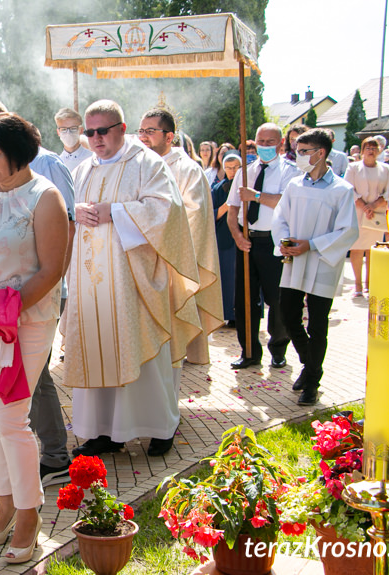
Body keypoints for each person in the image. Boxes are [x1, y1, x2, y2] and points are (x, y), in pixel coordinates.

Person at [0, 112, 68, 563]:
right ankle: (3, 505)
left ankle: (29, 512)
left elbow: (51, 269)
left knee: (10, 417)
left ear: (20, 153)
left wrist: (5, 310)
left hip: (25, 322)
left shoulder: (45, 198)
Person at [64, 99, 202, 459]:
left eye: (102, 131)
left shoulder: (147, 164)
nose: (94, 138)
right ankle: (104, 431)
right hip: (91, 284)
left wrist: (118, 212)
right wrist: (73, 211)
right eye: (88, 132)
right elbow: (64, 211)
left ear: (122, 130)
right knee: (98, 350)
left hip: (134, 283)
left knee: (141, 353)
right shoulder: (80, 171)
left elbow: (167, 212)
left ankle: (160, 426)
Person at [272, 129, 358, 406]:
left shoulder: (342, 190)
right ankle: (312, 368)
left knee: (318, 326)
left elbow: (348, 231)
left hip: (322, 262)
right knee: (288, 316)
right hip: (294, 260)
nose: (298, 156)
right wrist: (283, 242)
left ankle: (311, 383)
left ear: (320, 153)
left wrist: (312, 244)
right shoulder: (295, 185)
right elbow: (279, 217)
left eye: (303, 151)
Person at [138, 109, 223, 369]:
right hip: (142, 255)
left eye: (150, 131)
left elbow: (194, 216)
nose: (143, 137)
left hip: (173, 258)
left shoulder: (187, 170)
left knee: (176, 321)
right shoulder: (139, 165)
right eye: (140, 131)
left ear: (169, 136)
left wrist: (164, 246)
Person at [226, 123, 298, 370]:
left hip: (273, 242)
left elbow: (283, 202)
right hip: (246, 240)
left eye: (270, 142)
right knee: (245, 300)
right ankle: (249, 351)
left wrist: (255, 196)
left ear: (280, 144)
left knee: (277, 300)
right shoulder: (244, 172)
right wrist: (236, 235)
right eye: (261, 142)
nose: (265, 146)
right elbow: (232, 208)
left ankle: (278, 348)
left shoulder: (290, 171)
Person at [344, 137, 389, 296]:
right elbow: (348, 188)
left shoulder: (385, 169)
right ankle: (358, 285)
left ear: (379, 150)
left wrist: (373, 206)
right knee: (357, 248)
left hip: (376, 213)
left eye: (374, 148)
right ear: (362, 150)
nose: (371, 151)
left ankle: (369, 284)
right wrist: (364, 206)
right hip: (357, 211)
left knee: (372, 249)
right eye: (368, 148)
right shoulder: (353, 167)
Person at [211, 153, 242, 324]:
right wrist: (226, 206)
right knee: (227, 278)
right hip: (224, 239)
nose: (232, 171)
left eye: (235, 167)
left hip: (243, 239)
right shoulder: (217, 188)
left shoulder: (247, 187)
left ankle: (243, 315)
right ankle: (228, 315)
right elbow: (210, 214)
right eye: (228, 168)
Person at [54, 107, 92, 173]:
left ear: (81, 130)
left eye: (73, 128)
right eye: (63, 129)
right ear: (58, 132)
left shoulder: (92, 158)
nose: (68, 133)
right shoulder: (56, 163)